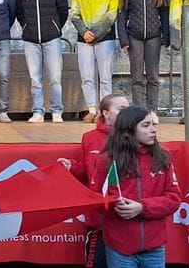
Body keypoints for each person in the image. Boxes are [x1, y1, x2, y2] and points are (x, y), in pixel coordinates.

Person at [95, 106, 181, 268]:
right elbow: (97, 201)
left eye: (154, 124)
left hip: (154, 248)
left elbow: (174, 198)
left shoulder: (162, 157)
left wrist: (142, 207)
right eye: (146, 125)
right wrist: (116, 207)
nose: (153, 130)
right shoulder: (106, 160)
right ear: (129, 129)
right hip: (120, 249)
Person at [57, 94, 130, 268]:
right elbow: (89, 172)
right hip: (99, 221)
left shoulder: (135, 135)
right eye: (121, 109)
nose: (126, 113)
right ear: (106, 113)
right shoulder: (89, 138)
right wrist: (72, 167)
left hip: (125, 218)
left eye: (128, 109)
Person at [16, 0, 69, 123]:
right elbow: (19, 14)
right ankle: (38, 111)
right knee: (35, 78)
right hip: (31, 41)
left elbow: (63, 11)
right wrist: (27, 27)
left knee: (54, 77)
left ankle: (56, 110)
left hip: (52, 39)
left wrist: (54, 27)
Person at [69, 0, 119, 123]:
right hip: (84, 40)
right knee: (87, 77)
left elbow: (111, 14)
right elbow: (74, 14)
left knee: (105, 77)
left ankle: (105, 113)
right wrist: (85, 32)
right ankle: (91, 109)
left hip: (105, 38)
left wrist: (95, 33)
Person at [118, 0, 170, 114]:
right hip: (134, 37)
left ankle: (152, 111)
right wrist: (123, 39)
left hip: (154, 37)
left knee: (153, 76)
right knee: (137, 77)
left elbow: (165, 15)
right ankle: (139, 111)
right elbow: (121, 17)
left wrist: (165, 37)